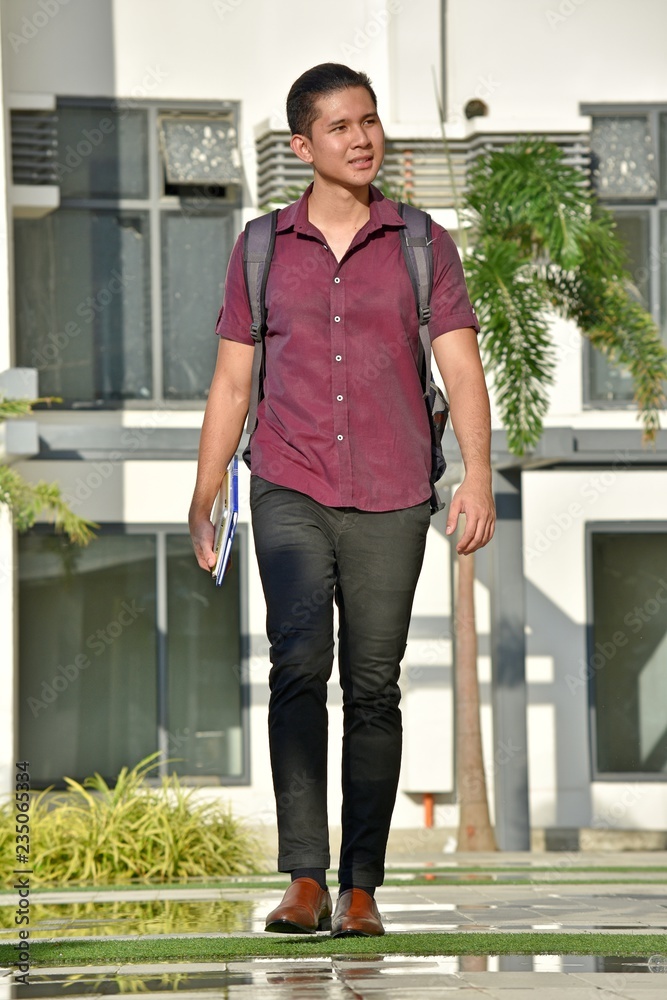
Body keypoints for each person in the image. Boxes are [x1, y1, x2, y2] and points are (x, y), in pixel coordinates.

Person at [189, 63, 495, 937]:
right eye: (340, 127)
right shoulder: (260, 248)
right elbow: (232, 382)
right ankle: (303, 878)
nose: (362, 139)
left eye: (370, 121)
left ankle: (360, 886)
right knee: (297, 665)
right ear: (302, 145)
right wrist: (205, 493)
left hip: (394, 491)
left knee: (371, 687)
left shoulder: (421, 242)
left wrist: (475, 474)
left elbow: (460, 367)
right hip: (288, 482)